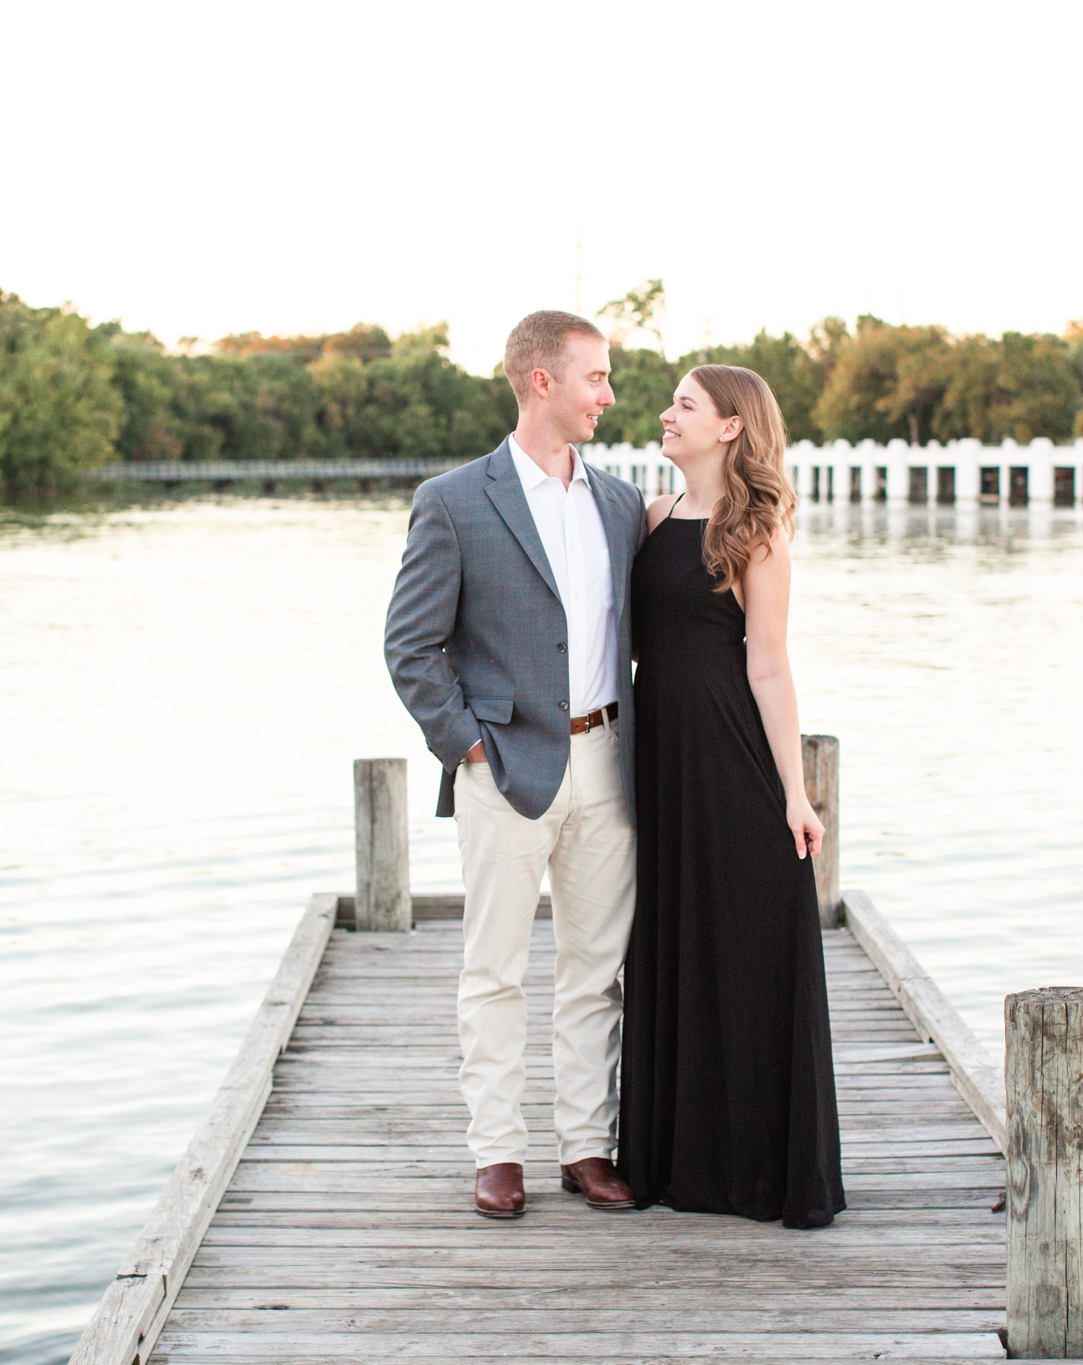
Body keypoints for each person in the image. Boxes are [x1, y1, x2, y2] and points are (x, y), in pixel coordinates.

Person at [383, 311, 648, 1219]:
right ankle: (498, 1150)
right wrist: (467, 747)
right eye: (596, 379)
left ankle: (586, 1144)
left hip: (608, 761)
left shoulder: (619, 504)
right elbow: (410, 647)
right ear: (543, 381)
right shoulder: (454, 501)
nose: (609, 396)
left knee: (595, 966)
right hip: (504, 766)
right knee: (494, 968)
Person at [615, 364, 846, 1229]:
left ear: (730, 428)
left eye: (685, 404)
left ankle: (757, 1169)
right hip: (657, 753)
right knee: (671, 941)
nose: (666, 414)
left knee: (747, 941)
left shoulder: (756, 529)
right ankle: (677, 1161)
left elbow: (769, 664)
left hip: (728, 752)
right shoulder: (647, 516)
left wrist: (796, 792)